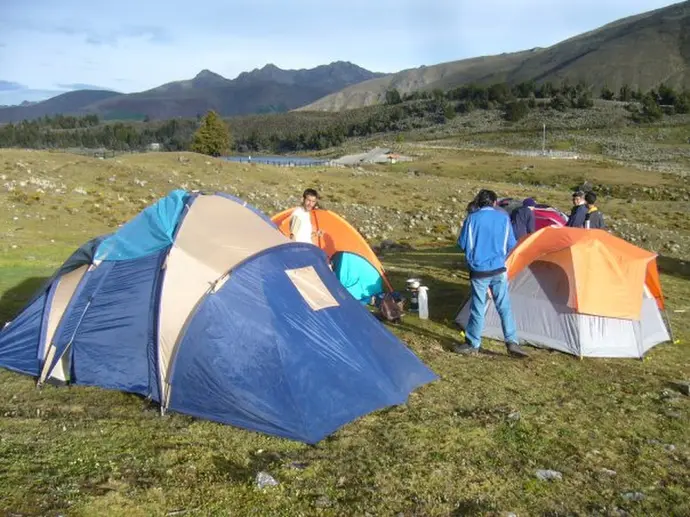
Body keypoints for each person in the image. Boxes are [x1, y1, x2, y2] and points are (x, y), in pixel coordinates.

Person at [455, 189, 529, 358]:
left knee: (478, 307)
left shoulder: (472, 219)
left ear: (478, 202)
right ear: (495, 203)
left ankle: (473, 343)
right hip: (499, 268)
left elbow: (462, 243)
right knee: (504, 306)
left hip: (479, 270)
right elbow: (511, 244)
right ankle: (512, 342)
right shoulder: (503, 218)